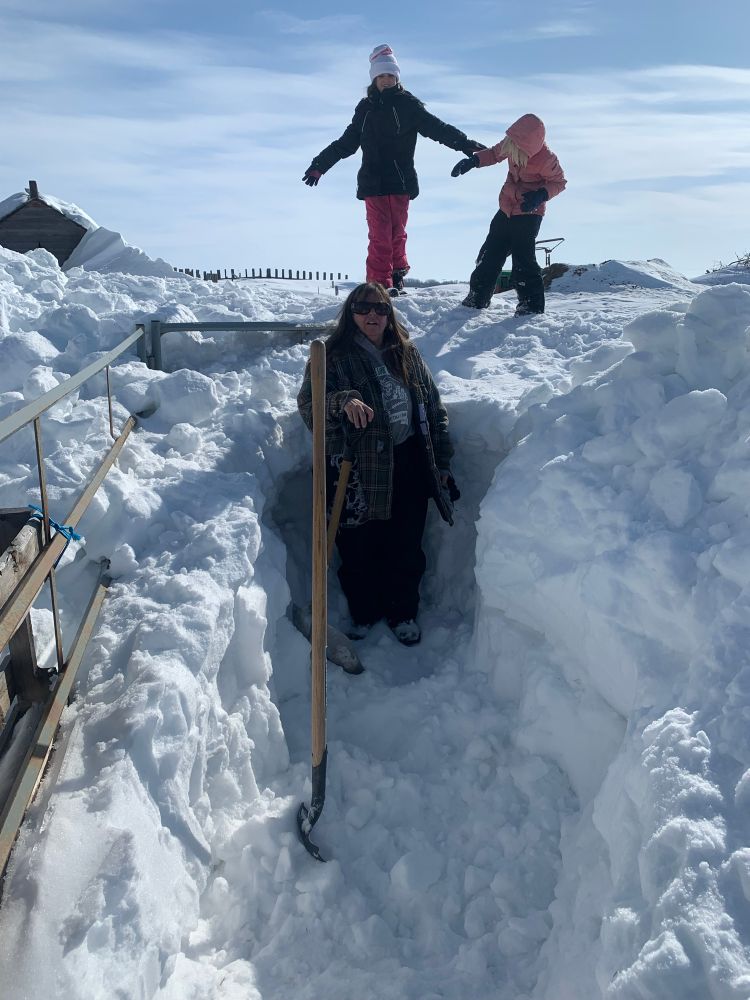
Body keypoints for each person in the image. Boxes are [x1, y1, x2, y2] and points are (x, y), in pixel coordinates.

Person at [297, 282, 459, 646]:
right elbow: (309, 407)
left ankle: (402, 611)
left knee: (406, 542)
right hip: (356, 466)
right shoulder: (331, 356)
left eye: (380, 309)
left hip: (408, 459)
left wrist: (442, 460)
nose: (372, 315)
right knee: (358, 544)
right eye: (363, 307)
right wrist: (343, 401)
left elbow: (433, 409)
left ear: (389, 314)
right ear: (351, 313)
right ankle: (365, 611)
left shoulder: (407, 353)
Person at [302, 44, 484, 296]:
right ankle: (378, 287)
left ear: (397, 78)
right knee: (380, 237)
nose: (386, 80)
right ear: (374, 79)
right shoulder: (365, 109)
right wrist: (319, 165)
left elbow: (437, 128)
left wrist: (464, 144)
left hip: (400, 182)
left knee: (397, 233)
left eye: (390, 75)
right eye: (381, 76)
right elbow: (346, 143)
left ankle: (397, 278)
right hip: (373, 184)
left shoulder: (407, 105)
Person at [451, 113, 566, 315]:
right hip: (506, 208)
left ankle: (531, 304)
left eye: (515, 147)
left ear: (529, 145)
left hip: (529, 212)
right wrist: (473, 161)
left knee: (523, 259)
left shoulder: (546, 159)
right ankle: (477, 297)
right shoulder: (511, 143)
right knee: (490, 254)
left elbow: (559, 182)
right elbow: (495, 154)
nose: (510, 149)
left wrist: (541, 195)